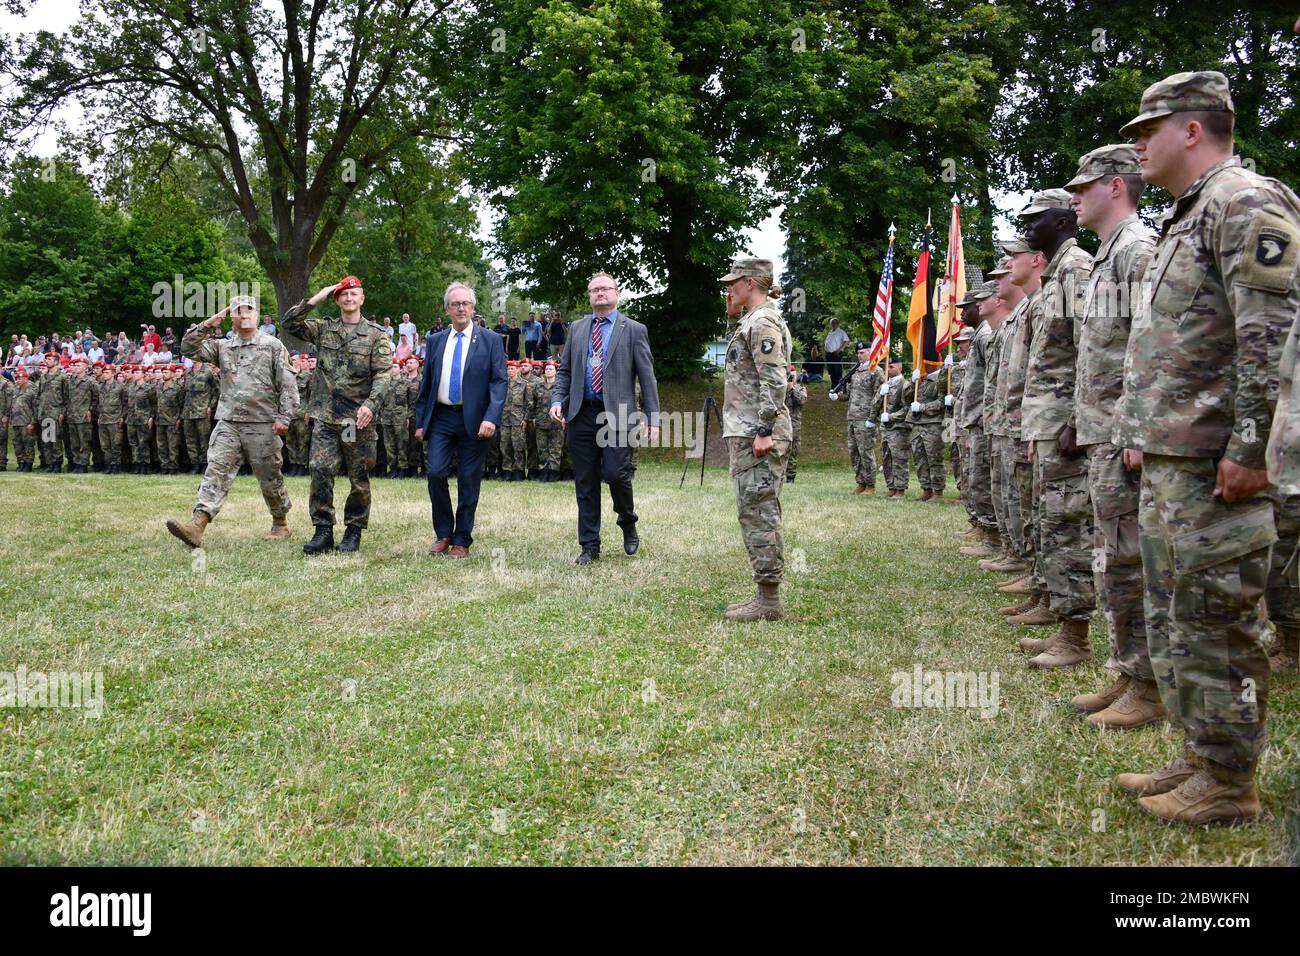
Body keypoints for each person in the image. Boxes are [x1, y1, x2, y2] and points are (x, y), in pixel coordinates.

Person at [1113, 71, 1300, 824]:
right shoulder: (1186, 216)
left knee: (1218, 618)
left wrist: (1251, 449)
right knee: (1180, 613)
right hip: (1176, 456)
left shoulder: (1247, 201)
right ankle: (1202, 752)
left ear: (1192, 129)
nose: (1137, 145)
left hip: (1219, 459)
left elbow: (1268, 336)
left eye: (1145, 130)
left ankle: (1230, 782)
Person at [1064, 143, 1163, 725]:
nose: (1076, 197)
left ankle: (1147, 688)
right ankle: (1129, 672)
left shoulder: (1138, 251)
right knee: (1114, 560)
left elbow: (1148, 345)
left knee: (1130, 560)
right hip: (1103, 431)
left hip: (1124, 433)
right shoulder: (1108, 255)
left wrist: (1136, 426)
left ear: (1116, 186)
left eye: (1084, 188)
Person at [1018, 187, 1097, 667]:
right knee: (1053, 520)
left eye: (1037, 220)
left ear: (1064, 221)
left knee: (1069, 525)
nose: (1029, 230)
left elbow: (1091, 347)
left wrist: (1075, 419)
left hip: (1067, 424)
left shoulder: (1077, 269)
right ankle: (1062, 622)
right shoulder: (1058, 274)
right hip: (1049, 422)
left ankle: (1076, 636)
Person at [167, 295, 299, 548]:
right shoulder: (222, 347)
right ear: (232, 317)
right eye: (238, 311)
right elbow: (188, 349)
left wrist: (285, 417)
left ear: (257, 316)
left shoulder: (272, 346)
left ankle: (280, 522)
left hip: (262, 423)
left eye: (249, 310)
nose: (244, 314)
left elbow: (288, 384)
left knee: (269, 476)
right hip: (228, 421)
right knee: (215, 470)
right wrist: (208, 323)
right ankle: (197, 525)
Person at [549, 272, 661, 565]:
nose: (599, 293)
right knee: (585, 481)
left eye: (605, 288)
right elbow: (565, 372)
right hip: (581, 412)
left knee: (615, 474)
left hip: (618, 415)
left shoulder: (634, 330)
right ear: (589, 296)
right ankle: (589, 544)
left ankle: (627, 520)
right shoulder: (577, 328)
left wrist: (653, 418)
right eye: (594, 290)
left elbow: (647, 378)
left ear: (616, 293)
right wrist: (558, 399)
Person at [282, 276, 393, 554]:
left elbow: (383, 374)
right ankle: (323, 530)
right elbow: (289, 323)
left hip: (356, 419)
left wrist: (371, 404)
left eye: (353, 293)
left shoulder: (376, 334)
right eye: (343, 294)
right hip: (326, 416)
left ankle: (353, 530)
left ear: (362, 299)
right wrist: (316, 298)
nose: (348, 298)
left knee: (358, 476)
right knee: (320, 471)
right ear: (337, 299)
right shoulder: (323, 329)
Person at [719, 258, 791, 621]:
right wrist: (733, 310)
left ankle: (768, 601)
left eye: (733, 283)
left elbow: (775, 379)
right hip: (748, 432)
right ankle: (764, 594)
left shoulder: (762, 321)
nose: (728, 288)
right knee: (754, 510)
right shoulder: (751, 319)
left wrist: (764, 429)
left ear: (750, 282)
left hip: (757, 434)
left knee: (760, 512)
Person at [413, 282, 506, 558]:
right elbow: (426, 385)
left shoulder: (490, 340)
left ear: (473, 307)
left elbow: (499, 383)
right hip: (441, 417)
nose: (461, 308)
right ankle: (443, 533)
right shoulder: (435, 340)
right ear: (447, 309)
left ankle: (462, 539)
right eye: (455, 304)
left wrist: (492, 417)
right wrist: (421, 422)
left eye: (465, 303)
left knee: (468, 479)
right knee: (435, 473)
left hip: (475, 420)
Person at [830, 341, 882, 493]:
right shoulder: (855, 372)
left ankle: (871, 484)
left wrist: (872, 418)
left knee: (866, 451)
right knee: (854, 452)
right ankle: (861, 482)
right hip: (852, 417)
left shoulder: (876, 371)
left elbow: (878, 397)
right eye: (858, 353)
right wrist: (837, 396)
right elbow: (848, 394)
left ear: (870, 353)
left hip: (865, 418)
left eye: (863, 352)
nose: (860, 355)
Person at [881, 359, 911, 497]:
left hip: (899, 428)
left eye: (891, 366)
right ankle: (891, 487)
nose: (888, 369)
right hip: (886, 428)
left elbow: (907, 408)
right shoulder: (886, 384)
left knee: (899, 459)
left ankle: (900, 489)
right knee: (886, 458)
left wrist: (891, 417)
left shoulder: (904, 385)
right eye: (887, 366)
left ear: (899, 368)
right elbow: (877, 403)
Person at [64, 358, 97, 473]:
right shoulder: (71, 381)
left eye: (79, 365)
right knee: (74, 442)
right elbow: (67, 397)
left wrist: (90, 410)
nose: (76, 367)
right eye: (75, 365)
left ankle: (83, 464)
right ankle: (76, 463)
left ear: (85, 367)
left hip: (83, 416)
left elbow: (96, 398)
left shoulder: (90, 381)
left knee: (84, 442)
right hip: (72, 416)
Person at [783, 364, 808, 482]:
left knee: (793, 450)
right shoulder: (780, 387)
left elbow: (801, 401)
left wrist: (792, 388)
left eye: (793, 374)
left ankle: (791, 477)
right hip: (780, 423)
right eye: (789, 374)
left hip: (794, 424)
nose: (791, 377)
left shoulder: (800, 388)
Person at [824, 318, 849, 391]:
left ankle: (839, 387)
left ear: (837, 324)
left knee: (837, 371)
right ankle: (833, 386)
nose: (833, 324)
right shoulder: (830, 332)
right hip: (829, 354)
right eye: (832, 323)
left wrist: (839, 350)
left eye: (835, 323)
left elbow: (846, 341)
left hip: (836, 354)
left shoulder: (841, 332)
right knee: (831, 371)